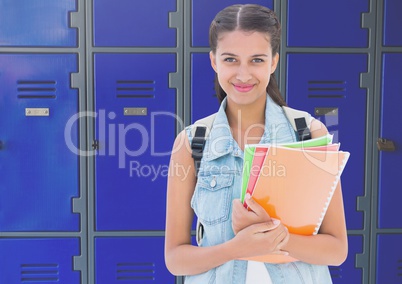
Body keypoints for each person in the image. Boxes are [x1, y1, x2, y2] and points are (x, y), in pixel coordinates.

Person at [164, 4, 347, 283]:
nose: (244, 74)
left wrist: (277, 238)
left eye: (257, 60)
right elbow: (175, 259)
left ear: (273, 61)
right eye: (231, 60)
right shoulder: (191, 143)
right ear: (214, 61)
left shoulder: (307, 133)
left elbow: (336, 250)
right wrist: (237, 248)